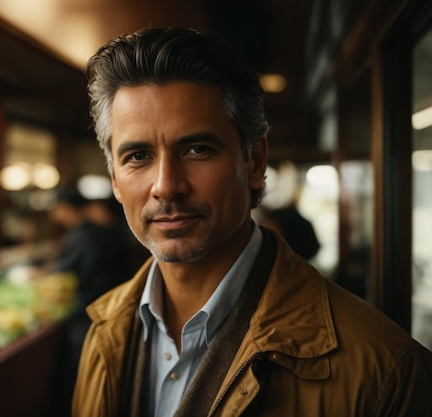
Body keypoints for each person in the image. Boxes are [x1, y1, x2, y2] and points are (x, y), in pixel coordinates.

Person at [72, 27, 432, 417]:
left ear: (255, 163)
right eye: (138, 156)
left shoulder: (386, 369)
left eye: (197, 149)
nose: (166, 186)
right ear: (115, 180)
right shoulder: (104, 330)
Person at [49, 186, 131, 416]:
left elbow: (61, 275)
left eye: (56, 208)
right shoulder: (101, 232)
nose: (53, 215)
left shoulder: (81, 236)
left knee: (81, 375)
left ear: (66, 208)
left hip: (86, 313)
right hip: (106, 308)